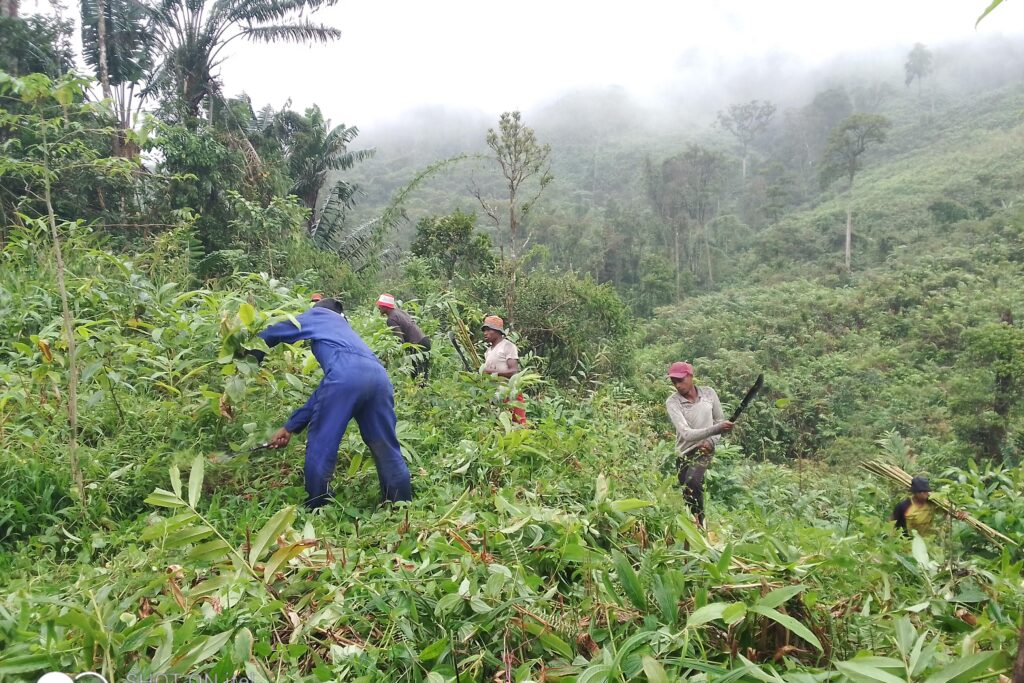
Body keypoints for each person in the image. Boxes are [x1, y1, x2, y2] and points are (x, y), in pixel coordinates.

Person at [253, 297, 412, 509]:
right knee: (386, 446)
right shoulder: (346, 332)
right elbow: (326, 392)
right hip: (379, 378)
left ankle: (318, 506)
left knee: (321, 445)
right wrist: (290, 427)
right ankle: (401, 504)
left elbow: (274, 333)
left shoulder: (318, 315)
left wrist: (247, 354)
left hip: (346, 378)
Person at [665, 361, 734, 528]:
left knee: (693, 481)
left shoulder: (709, 394)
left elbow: (719, 419)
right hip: (683, 452)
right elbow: (687, 434)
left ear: (691, 376)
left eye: (681, 380)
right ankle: (693, 530)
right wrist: (717, 428)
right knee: (688, 494)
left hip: (704, 449)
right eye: (674, 382)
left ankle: (701, 526)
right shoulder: (673, 402)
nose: (678, 385)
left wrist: (711, 441)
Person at [376, 293, 431, 383]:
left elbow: (399, 340)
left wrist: (388, 355)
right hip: (424, 341)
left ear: (386, 306)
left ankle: (421, 395)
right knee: (422, 376)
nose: (379, 307)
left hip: (418, 346)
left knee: (418, 377)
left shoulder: (391, 319)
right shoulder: (399, 312)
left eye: (381, 305)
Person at [481, 315, 526, 424]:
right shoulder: (488, 351)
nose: (485, 333)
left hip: (510, 392)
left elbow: (513, 371)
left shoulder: (508, 346)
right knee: (500, 425)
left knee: (518, 424)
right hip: (495, 394)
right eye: (484, 330)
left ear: (497, 331)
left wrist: (490, 372)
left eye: (488, 330)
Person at [890, 476, 966, 537]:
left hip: (927, 542)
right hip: (907, 543)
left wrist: (960, 512)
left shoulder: (932, 503)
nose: (926, 493)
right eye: (922, 492)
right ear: (915, 492)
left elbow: (949, 511)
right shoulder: (903, 506)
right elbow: (891, 524)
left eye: (926, 491)